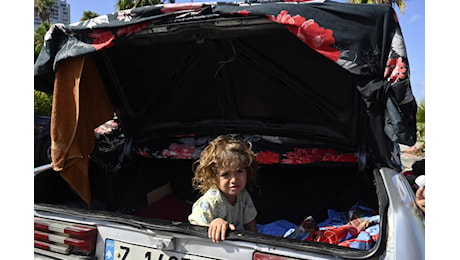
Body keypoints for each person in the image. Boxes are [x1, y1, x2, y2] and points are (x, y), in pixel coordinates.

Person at [188, 135, 259, 243]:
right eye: (225, 174)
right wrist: (214, 223)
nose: (234, 180)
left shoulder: (242, 195)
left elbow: (250, 224)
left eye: (239, 171)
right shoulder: (211, 201)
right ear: (213, 177)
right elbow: (194, 228)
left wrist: (256, 243)